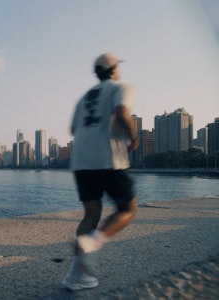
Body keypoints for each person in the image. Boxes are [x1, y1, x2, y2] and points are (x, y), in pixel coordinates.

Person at [62, 53, 139, 291]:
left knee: (91, 214)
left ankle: (76, 277)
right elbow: (121, 112)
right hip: (109, 158)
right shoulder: (121, 87)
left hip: (81, 160)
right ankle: (94, 242)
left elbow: (73, 129)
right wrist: (133, 138)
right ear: (114, 69)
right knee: (127, 208)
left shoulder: (83, 97)